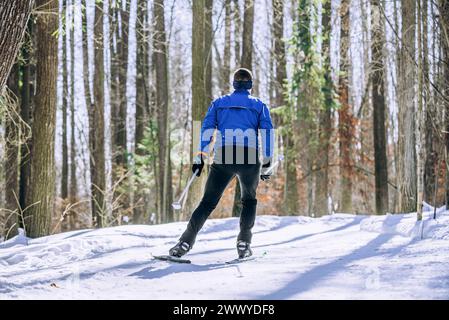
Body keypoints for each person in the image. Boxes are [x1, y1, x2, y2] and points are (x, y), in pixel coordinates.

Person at [169, 68, 274, 259]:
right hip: (249, 158)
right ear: (250, 85)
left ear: (234, 84)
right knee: (249, 200)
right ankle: (244, 243)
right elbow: (267, 133)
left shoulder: (219, 103)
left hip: (223, 156)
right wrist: (267, 161)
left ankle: (184, 242)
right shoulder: (259, 105)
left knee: (207, 202)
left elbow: (207, 130)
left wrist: (200, 155)